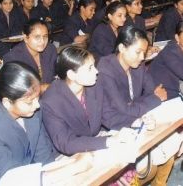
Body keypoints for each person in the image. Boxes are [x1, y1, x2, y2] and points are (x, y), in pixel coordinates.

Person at [97, 26, 175, 186]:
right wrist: (153, 100)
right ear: (121, 48)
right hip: (113, 125)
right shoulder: (105, 69)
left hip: (138, 116)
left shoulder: (138, 65)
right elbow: (124, 109)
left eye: (144, 53)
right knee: (149, 157)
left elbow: (153, 90)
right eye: (138, 52)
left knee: (172, 140)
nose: (142, 57)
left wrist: (146, 101)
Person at [0, 62, 60, 185]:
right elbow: (11, 177)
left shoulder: (31, 111)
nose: (37, 105)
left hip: (24, 173)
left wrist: (54, 172)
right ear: (7, 102)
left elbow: (42, 152)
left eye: (37, 98)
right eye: (29, 101)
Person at [41, 46, 134, 155]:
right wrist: (109, 141)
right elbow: (66, 143)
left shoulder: (94, 84)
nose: (96, 71)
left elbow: (108, 115)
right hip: (68, 154)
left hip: (93, 141)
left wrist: (135, 122)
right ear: (71, 74)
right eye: (90, 68)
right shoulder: (51, 102)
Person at [3, 19, 57, 88]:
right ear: (25, 38)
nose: (42, 41)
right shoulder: (13, 58)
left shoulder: (50, 49)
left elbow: (56, 75)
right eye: (37, 37)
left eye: (45, 36)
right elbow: (16, 88)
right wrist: (41, 89)